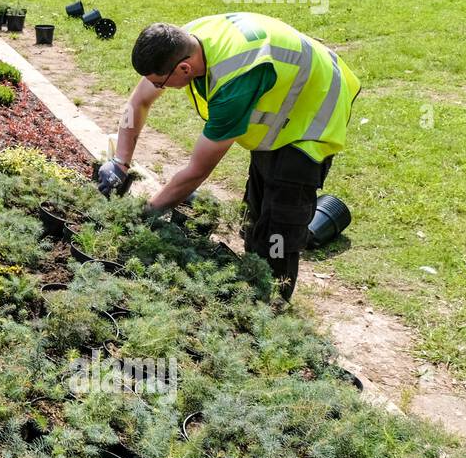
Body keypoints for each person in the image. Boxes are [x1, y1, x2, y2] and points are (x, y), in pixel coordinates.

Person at [97, 15, 360, 301]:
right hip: (284, 103)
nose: (159, 89)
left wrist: (147, 212)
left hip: (313, 114)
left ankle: (273, 301)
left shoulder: (235, 83)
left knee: (281, 224)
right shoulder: (182, 42)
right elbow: (138, 102)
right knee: (256, 214)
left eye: (161, 84)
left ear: (184, 68)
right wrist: (120, 163)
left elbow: (197, 171)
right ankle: (258, 267)